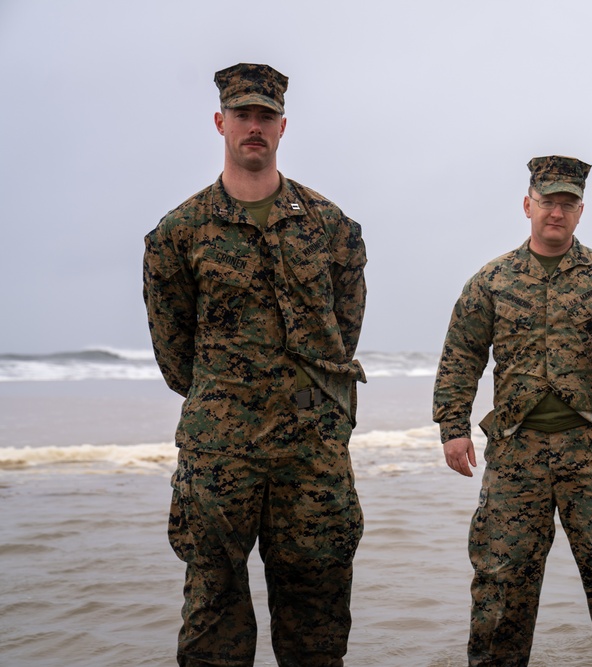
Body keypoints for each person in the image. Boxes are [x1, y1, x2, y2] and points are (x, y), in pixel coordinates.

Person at [143, 63, 367, 667]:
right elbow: (174, 350)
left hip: (311, 454)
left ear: (282, 127)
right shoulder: (179, 235)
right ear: (220, 122)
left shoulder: (332, 228)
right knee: (214, 614)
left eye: (265, 116)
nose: (253, 127)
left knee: (317, 619)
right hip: (222, 454)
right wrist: (227, 401)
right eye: (242, 114)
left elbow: (342, 333)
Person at [433, 155, 592, 666]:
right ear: (527, 205)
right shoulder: (491, 282)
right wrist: (453, 427)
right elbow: (460, 358)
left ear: (580, 211)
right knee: (500, 587)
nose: (555, 213)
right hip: (517, 453)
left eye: (566, 204)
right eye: (546, 202)